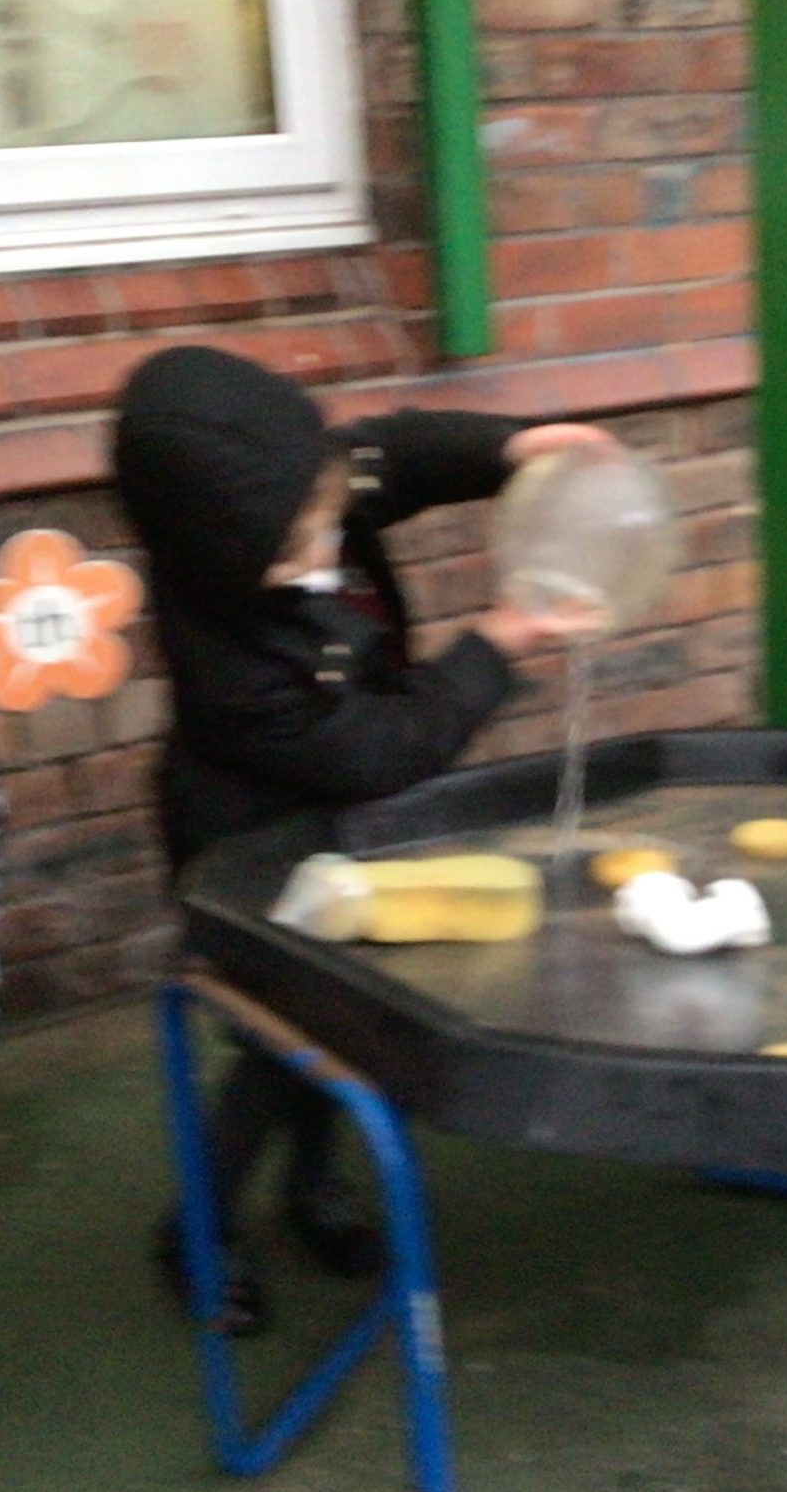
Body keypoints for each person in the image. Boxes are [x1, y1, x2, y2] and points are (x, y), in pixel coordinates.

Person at [112, 347, 601, 1334]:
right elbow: (379, 749)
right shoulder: (235, 668)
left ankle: (313, 1188)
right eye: (292, 553)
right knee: (274, 1038)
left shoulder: (309, 488)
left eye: (325, 517)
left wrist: (510, 448)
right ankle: (196, 1226)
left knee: (345, 1011)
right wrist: (494, 647)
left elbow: (393, 455)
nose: (323, 550)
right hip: (247, 848)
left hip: (334, 827)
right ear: (223, 559)